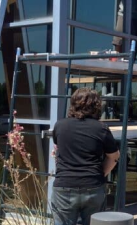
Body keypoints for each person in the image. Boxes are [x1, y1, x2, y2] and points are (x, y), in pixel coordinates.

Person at [52, 88, 120, 225]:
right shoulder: (101, 128)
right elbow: (114, 157)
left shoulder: (60, 125)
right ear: (96, 106)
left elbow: (58, 150)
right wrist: (101, 173)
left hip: (65, 185)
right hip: (93, 185)